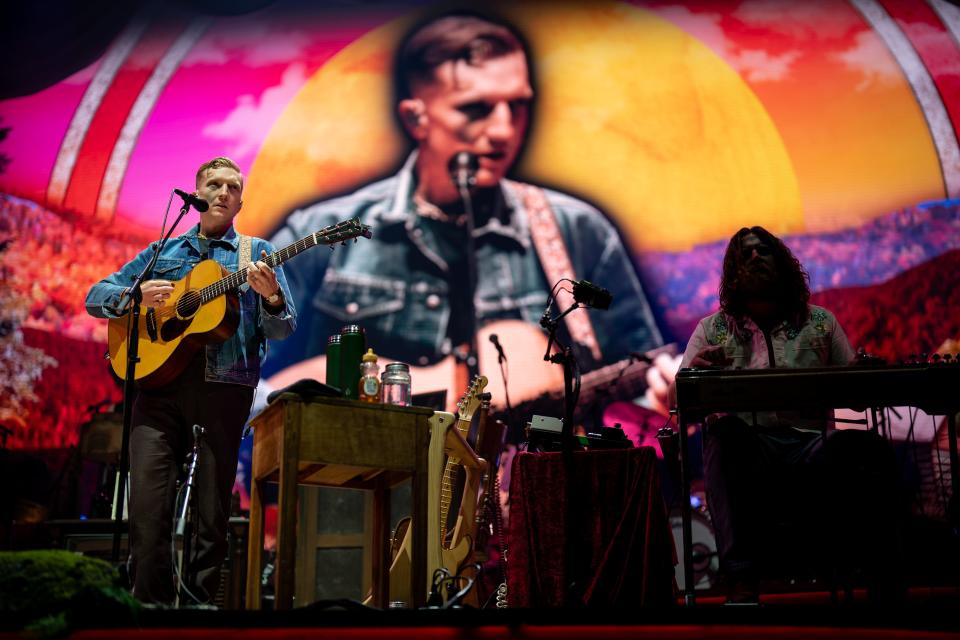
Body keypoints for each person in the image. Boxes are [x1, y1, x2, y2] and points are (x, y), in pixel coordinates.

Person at [265, 11, 664, 411]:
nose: (504, 130)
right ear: (415, 118)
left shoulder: (578, 231)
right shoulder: (321, 232)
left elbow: (641, 375)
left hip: (510, 474)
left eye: (518, 106)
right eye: (477, 109)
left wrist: (662, 386)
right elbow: (232, 378)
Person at [85, 157, 297, 605]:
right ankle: (152, 612)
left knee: (211, 513)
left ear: (240, 201)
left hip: (224, 389)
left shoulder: (255, 254)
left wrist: (272, 296)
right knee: (146, 509)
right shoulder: (163, 253)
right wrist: (132, 296)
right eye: (215, 184)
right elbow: (94, 295)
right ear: (197, 194)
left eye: (233, 187)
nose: (223, 192)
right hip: (157, 387)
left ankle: (199, 612)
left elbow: (283, 327)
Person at [673, 226, 902, 604]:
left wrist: (861, 373)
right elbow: (677, 400)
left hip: (812, 447)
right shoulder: (711, 329)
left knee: (866, 448)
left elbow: (860, 398)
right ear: (732, 270)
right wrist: (695, 369)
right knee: (724, 435)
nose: (755, 257)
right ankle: (741, 580)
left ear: (781, 262)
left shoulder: (821, 323)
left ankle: (883, 579)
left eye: (763, 250)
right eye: (745, 254)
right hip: (750, 452)